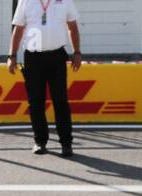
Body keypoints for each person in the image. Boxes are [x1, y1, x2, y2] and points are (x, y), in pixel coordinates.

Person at [8, 0, 83, 157]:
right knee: (35, 101)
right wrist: (12, 56)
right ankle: (40, 142)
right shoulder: (26, 1)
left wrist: (77, 52)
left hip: (57, 57)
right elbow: (19, 29)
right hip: (33, 58)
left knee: (60, 100)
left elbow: (73, 26)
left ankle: (66, 143)